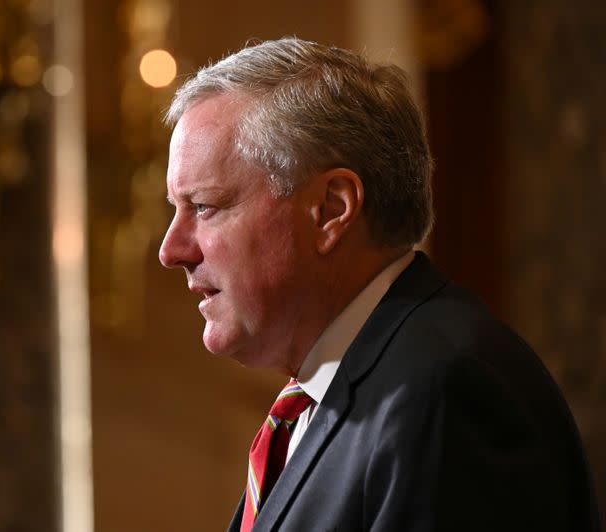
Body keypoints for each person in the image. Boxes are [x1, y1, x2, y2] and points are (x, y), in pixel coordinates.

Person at [158, 37, 601, 532]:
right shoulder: (336, 391)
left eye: (204, 207)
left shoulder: (444, 391)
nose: (171, 250)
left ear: (331, 210)